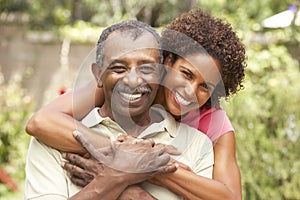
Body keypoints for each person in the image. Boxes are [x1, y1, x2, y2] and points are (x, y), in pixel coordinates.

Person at [26, 8, 246, 199]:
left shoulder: (212, 123)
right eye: (186, 74)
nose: (190, 91)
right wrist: (125, 156)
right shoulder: (125, 83)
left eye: (205, 86)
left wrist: (151, 167)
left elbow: (230, 196)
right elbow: (42, 122)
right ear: (167, 63)